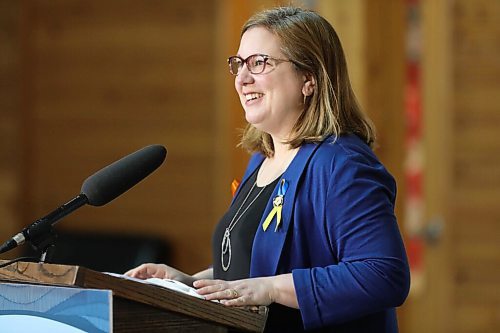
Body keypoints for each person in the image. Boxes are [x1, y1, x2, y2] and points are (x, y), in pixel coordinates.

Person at [126, 6, 410, 332]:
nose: (243, 79)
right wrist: (191, 283)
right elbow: (256, 267)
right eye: (239, 64)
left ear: (309, 79)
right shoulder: (263, 159)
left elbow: (384, 274)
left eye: (259, 63)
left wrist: (272, 289)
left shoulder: (342, 165)